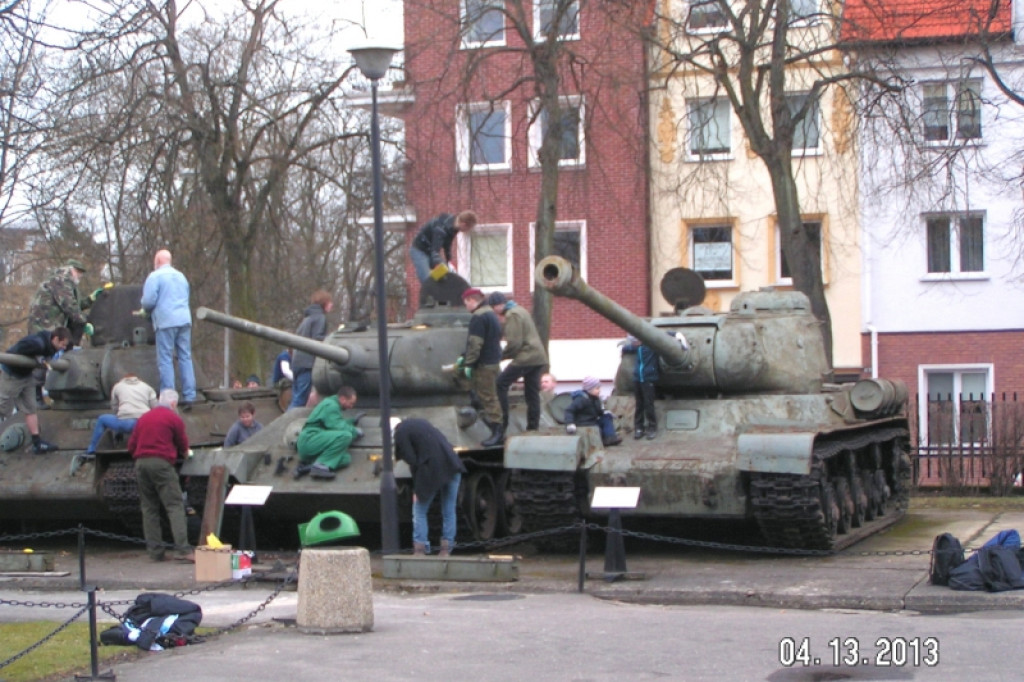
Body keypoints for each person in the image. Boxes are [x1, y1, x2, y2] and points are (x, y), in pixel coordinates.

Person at [127, 388, 193, 563]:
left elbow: (131, 444)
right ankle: (182, 550)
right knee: (174, 505)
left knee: (149, 508)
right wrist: (185, 453)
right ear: (173, 404)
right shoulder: (173, 418)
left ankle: (155, 551)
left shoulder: (144, 417)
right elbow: (182, 442)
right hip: (162, 463)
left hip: (141, 463)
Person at [393, 418, 467, 557]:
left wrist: (418, 489)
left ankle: (420, 549)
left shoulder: (401, 432)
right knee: (449, 510)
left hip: (433, 470)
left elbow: (412, 460)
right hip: (453, 466)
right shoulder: (420, 423)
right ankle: (446, 549)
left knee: (419, 510)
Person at [0, 327, 71, 453]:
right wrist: (35, 355)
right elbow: (15, 350)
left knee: (31, 407)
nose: (63, 348)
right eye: (62, 344)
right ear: (55, 339)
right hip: (12, 375)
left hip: (26, 376)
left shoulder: (51, 345)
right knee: (2, 406)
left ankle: (37, 442)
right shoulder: (37, 343)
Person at [488, 292, 548, 440]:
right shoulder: (521, 310)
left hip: (526, 357)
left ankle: (502, 426)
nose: (494, 312)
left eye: (493, 307)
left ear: (498, 305)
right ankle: (533, 427)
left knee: (501, 383)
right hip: (538, 357)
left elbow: (514, 343)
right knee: (532, 393)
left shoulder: (512, 315)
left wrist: (500, 357)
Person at [141, 250, 197, 407]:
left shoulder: (155, 276)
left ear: (158, 261)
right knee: (185, 356)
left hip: (165, 321)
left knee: (165, 358)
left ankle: (169, 398)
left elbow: (148, 302)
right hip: (184, 320)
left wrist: (144, 311)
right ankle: (190, 395)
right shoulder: (181, 276)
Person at [458, 288, 503, 446]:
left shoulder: (478, 317)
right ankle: (496, 428)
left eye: (466, 304)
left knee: (488, 398)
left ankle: (497, 432)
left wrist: (468, 363)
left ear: (471, 300)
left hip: (484, 364)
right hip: (494, 361)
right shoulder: (491, 314)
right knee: (491, 396)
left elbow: (475, 343)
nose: (466, 307)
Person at [294, 386, 361, 480]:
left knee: (345, 458)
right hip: (309, 439)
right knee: (346, 436)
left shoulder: (332, 405)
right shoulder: (331, 405)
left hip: (315, 442)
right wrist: (355, 431)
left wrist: (351, 422)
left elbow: (335, 422)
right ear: (342, 399)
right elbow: (339, 427)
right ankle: (320, 467)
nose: (351, 407)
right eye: (351, 403)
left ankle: (307, 467)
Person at [84, 373, 157, 456]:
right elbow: (155, 408)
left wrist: (120, 416)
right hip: (143, 424)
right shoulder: (147, 387)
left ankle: (92, 449)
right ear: (138, 379)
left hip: (124, 423)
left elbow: (115, 407)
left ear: (124, 379)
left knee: (102, 419)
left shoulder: (118, 386)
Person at [289, 290, 332, 409]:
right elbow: (317, 339)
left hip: (297, 363)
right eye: (329, 302)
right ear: (325, 304)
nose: (331, 305)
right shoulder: (320, 318)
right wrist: (331, 339)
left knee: (297, 397)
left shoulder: (306, 319)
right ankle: (285, 425)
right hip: (307, 363)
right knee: (300, 401)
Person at [409, 210, 478, 282]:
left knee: (446, 274)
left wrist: (449, 261)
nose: (468, 230)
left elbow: (447, 245)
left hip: (430, 251)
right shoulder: (441, 229)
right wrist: (440, 265)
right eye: (469, 228)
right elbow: (435, 251)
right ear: (464, 224)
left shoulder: (454, 226)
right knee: (426, 279)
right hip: (419, 251)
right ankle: (428, 291)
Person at [564, 376, 622, 447]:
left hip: (593, 420)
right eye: (597, 389)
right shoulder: (581, 399)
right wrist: (570, 423)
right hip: (584, 423)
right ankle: (602, 439)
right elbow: (570, 410)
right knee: (598, 430)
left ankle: (610, 437)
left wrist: (604, 412)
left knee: (606, 418)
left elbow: (598, 411)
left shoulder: (595, 399)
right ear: (589, 389)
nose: (599, 391)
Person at [620, 335, 659, 440]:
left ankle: (652, 427)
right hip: (638, 379)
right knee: (639, 405)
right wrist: (623, 348)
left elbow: (662, 336)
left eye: (634, 342)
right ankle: (639, 428)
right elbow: (628, 348)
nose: (633, 344)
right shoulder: (637, 347)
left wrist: (676, 335)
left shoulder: (651, 347)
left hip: (648, 379)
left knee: (648, 404)